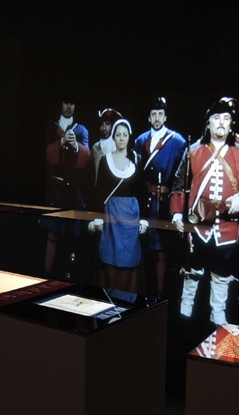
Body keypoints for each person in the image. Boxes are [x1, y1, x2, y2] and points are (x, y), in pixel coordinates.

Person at [170, 97, 239, 335]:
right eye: (216, 118)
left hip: (227, 228)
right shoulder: (193, 151)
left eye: (226, 119)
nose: (221, 123)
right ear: (208, 123)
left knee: (222, 272)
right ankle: (185, 312)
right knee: (193, 270)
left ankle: (217, 315)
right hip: (198, 226)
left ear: (231, 124)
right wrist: (177, 214)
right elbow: (179, 184)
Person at [87, 119, 148, 302]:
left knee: (130, 259)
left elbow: (141, 192)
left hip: (130, 216)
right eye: (118, 135)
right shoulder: (105, 160)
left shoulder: (136, 160)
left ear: (129, 137)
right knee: (110, 255)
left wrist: (143, 219)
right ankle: (109, 301)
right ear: (113, 137)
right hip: (111, 215)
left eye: (125, 135)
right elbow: (99, 192)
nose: (121, 138)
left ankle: (127, 301)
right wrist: (98, 218)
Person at [133, 97, 187, 301]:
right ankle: (147, 295)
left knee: (163, 251)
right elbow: (136, 176)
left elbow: (181, 178)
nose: (157, 118)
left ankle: (161, 296)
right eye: (153, 114)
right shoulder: (140, 141)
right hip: (145, 202)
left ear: (165, 117)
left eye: (160, 114)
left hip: (166, 204)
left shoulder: (178, 142)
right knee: (146, 249)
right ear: (149, 117)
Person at [42, 98, 91, 279]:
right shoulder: (51, 128)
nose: (69, 107)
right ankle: (48, 274)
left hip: (74, 192)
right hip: (55, 191)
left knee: (73, 236)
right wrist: (61, 141)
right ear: (61, 104)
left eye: (72, 103)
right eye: (66, 103)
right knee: (52, 234)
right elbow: (48, 157)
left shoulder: (81, 130)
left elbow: (87, 159)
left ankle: (70, 275)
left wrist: (76, 145)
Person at [90, 107, 123, 185]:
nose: (104, 128)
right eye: (102, 124)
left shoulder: (118, 146)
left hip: (113, 187)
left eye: (107, 124)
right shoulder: (95, 147)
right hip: (98, 188)